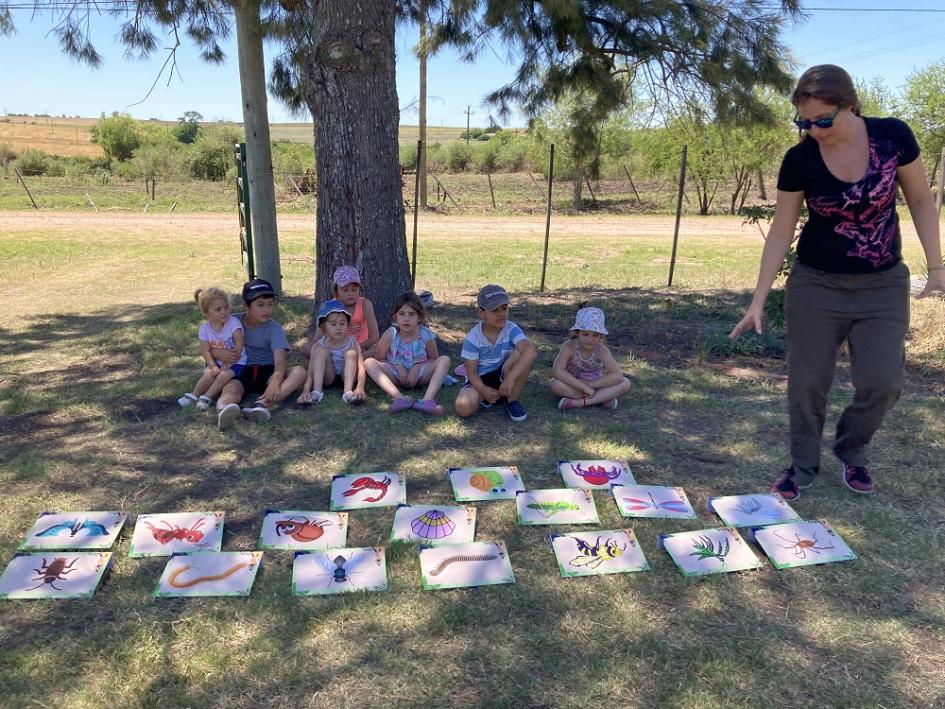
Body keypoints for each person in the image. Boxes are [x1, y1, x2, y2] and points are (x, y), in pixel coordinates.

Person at [730, 64, 944, 501]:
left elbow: (921, 200)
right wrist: (758, 298)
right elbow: (781, 228)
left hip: (882, 284)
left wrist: (937, 268)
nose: (812, 130)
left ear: (850, 106)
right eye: (803, 122)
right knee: (807, 383)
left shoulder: (892, 137)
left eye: (822, 121)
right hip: (816, 285)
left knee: (884, 383)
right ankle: (802, 466)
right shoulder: (800, 159)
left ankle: (851, 448)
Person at [213, 278, 307, 430]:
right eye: (260, 305)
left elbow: (280, 361)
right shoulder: (232, 322)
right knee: (231, 389)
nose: (267, 310)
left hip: (267, 371)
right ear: (246, 305)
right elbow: (209, 340)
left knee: (300, 372)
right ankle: (224, 409)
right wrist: (217, 352)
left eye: (270, 304)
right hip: (241, 369)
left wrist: (276, 382)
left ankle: (261, 406)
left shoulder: (274, 328)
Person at [454, 284, 537, 421]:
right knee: (463, 407)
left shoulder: (511, 328)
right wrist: (483, 390)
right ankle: (486, 398)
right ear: (481, 312)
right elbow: (472, 372)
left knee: (521, 354)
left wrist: (510, 379)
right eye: (494, 310)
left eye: (504, 309)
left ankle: (512, 401)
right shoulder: (472, 337)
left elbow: (530, 351)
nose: (501, 314)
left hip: (504, 373)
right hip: (480, 380)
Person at [364, 291, 451, 415]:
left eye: (411, 314)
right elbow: (379, 359)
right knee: (369, 362)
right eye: (402, 314)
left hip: (420, 375)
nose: (406, 319)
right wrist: (398, 367)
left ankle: (427, 401)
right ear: (395, 317)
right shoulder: (391, 334)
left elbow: (433, 359)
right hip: (396, 375)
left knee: (445, 360)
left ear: (419, 317)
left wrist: (417, 368)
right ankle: (399, 398)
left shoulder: (425, 334)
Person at [178, 287, 247, 411]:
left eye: (226, 307)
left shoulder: (233, 323)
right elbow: (205, 350)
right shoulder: (205, 329)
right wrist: (212, 365)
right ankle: (194, 395)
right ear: (207, 312)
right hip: (216, 361)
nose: (224, 312)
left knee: (223, 376)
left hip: (237, 362)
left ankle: (207, 396)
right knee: (208, 374)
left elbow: (240, 343)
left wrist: (230, 361)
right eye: (218, 309)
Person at [551, 306, 631, 411]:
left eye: (595, 335)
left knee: (625, 382)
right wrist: (583, 387)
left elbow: (617, 375)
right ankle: (603, 398)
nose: (590, 339)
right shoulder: (569, 346)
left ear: (600, 336)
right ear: (577, 333)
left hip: (596, 384)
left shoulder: (602, 351)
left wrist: (589, 385)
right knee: (555, 384)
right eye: (585, 334)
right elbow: (557, 371)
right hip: (573, 383)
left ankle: (578, 402)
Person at [300, 265, 380, 359]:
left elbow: (375, 337)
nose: (350, 293)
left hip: (359, 348)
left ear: (359, 290)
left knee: (379, 347)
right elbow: (318, 338)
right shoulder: (329, 307)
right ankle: (333, 361)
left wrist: (355, 348)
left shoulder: (365, 304)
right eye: (345, 290)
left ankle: (345, 362)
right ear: (336, 291)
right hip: (334, 348)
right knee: (305, 347)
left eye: (354, 290)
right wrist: (330, 349)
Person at [298, 299, 367, 405]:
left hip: (347, 376)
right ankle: (317, 391)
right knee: (320, 352)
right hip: (328, 377)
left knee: (351, 353)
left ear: (347, 324)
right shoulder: (319, 345)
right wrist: (306, 390)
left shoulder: (352, 343)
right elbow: (310, 371)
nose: (339, 328)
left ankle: (347, 392)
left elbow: (361, 368)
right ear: (324, 327)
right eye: (333, 324)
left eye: (342, 323)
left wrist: (360, 388)